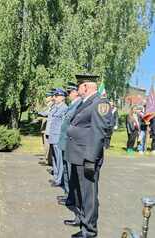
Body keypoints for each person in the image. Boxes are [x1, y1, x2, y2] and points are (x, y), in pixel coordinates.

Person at [65, 73, 112, 238]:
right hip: (76, 154)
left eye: (79, 86)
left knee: (89, 196)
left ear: (85, 86)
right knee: (78, 192)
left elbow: (98, 133)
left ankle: (89, 231)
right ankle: (80, 218)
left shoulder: (100, 103)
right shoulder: (86, 103)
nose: (77, 91)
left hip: (86, 157)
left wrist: (91, 159)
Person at [57, 82, 81, 210]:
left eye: (70, 92)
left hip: (70, 144)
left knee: (71, 172)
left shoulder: (78, 105)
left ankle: (71, 197)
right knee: (66, 171)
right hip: (65, 142)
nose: (68, 95)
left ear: (76, 92)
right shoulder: (72, 105)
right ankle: (68, 194)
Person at [47, 88, 68, 187]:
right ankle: (56, 177)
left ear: (62, 97)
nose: (54, 98)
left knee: (59, 160)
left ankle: (60, 179)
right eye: (54, 96)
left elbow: (64, 126)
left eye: (56, 96)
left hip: (58, 137)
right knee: (54, 158)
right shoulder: (55, 107)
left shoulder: (64, 108)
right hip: (53, 136)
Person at [38, 89, 55, 166]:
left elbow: (46, 114)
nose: (46, 98)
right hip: (44, 127)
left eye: (47, 96)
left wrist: (39, 112)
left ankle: (48, 160)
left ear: (51, 97)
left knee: (47, 145)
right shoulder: (48, 105)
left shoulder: (52, 105)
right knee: (45, 144)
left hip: (48, 128)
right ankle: (46, 159)